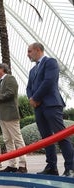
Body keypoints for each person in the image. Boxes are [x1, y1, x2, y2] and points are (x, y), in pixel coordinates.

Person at [26, 42, 74, 177]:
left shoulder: (50, 62)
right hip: (39, 107)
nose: (27, 54)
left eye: (29, 51)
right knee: (46, 138)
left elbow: (49, 81)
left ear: (37, 50)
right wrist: (31, 99)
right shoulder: (32, 70)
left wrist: (35, 97)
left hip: (51, 104)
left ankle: (70, 167)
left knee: (61, 135)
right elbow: (28, 87)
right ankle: (51, 167)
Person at [0, 63, 27, 173]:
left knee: (17, 138)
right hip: (3, 115)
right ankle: (12, 165)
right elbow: (2, 98)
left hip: (10, 114)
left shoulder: (10, 78)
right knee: (8, 140)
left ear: (2, 69)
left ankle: (23, 165)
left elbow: (11, 93)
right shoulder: (0, 83)